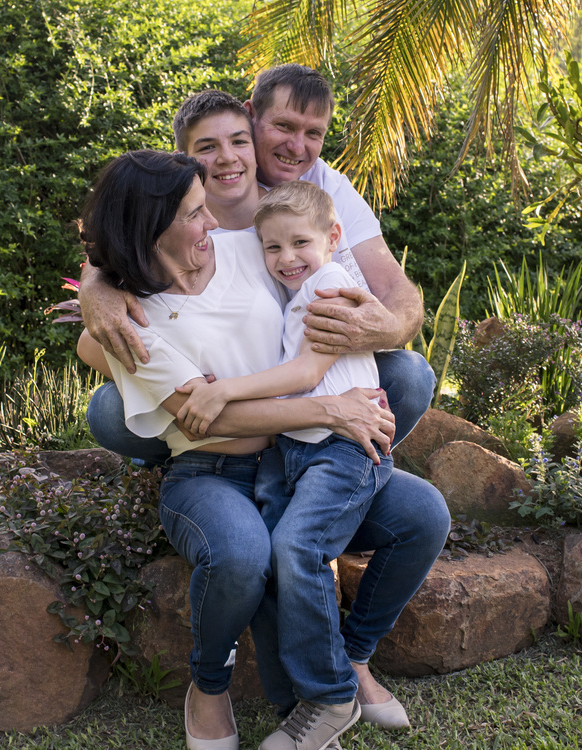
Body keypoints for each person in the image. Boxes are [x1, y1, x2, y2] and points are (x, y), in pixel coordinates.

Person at [76, 150, 449, 750]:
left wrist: (360, 353)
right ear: (154, 227)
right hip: (209, 471)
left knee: (422, 514)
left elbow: (334, 260)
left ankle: (348, 662)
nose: (214, 221)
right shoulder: (131, 321)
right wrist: (331, 411)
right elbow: (209, 418)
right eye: (196, 214)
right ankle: (210, 684)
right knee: (246, 555)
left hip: (291, 459)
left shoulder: (252, 248)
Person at [78, 67, 432, 459]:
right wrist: (94, 287)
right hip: (228, 396)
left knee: (411, 375)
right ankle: (197, 468)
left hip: (304, 372)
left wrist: (383, 329)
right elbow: (122, 235)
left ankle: (346, 465)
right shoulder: (178, 215)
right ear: (253, 115)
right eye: (284, 126)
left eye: (313, 133)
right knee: (111, 409)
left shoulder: (324, 189)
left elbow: (394, 290)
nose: (297, 147)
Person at [170, 180, 391, 750]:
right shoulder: (294, 286)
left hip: (344, 448)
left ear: (334, 238)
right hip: (297, 447)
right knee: (270, 553)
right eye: (273, 248)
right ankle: (298, 710)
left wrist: (224, 393)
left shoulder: (331, 284)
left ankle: (331, 695)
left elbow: (303, 373)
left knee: (298, 548)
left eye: (301, 243)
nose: (287, 257)